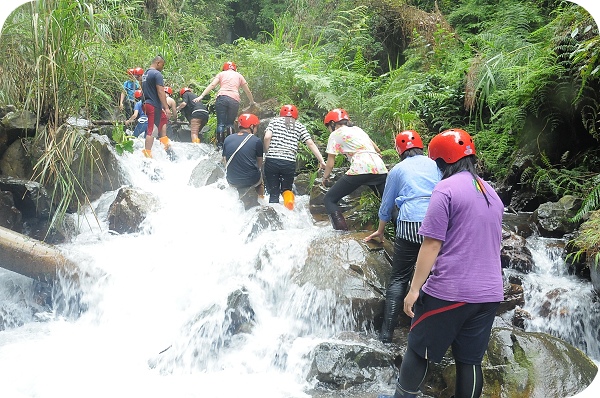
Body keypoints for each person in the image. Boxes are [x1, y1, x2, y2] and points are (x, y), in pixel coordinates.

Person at [391, 128, 504, 398]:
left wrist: (415, 289)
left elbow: (431, 244)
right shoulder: (491, 192)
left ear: (440, 162)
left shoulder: (445, 189)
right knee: (470, 361)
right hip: (489, 295)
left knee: (419, 349)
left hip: (450, 291)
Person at [364, 130, 441, 343]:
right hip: (436, 223)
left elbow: (386, 205)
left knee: (399, 277)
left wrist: (380, 231)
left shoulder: (397, 169)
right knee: (434, 275)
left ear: (399, 150)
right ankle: (426, 329)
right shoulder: (436, 164)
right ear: (421, 146)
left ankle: (386, 334)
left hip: (408, 224)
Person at [321, 108, 388, 230]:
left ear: (332, 123)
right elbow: (377, 149)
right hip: (380, 167)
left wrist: (325, 177)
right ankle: (402, 234)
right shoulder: (358, 130)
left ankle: (342, 234)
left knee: (329, 199)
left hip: (360, 168)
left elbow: (330, 163)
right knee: (387, 203)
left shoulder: (335, 134)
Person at [263, 104, 326, 209]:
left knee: (274, 191)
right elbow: (310, 143)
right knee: (286, 189)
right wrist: (321, 160)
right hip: (288, 162)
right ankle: (289, 207)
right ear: (295, 115)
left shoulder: (274, 122)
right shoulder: (300, 126)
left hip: (272, 160)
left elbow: (267, 136)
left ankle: (274, 216)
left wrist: (267, 150)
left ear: (281, 114)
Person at [193, 61, 256, 149]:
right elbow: (247, 90)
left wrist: (201, 96)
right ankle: (230, 144)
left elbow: (212, 84)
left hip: (222, 98)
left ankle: (220, 145)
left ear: (225, 68)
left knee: (221, 123)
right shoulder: (239, 76)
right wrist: (252, 102)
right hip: (234, 99)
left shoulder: (221, 74)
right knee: (230, 123)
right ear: (234, 68)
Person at [222, 113, 264, 200]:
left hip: (232, 180)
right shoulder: (256, 141)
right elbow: (259, 163)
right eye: (256, 127)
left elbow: (224, 159)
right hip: (251, 181)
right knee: (260, 181)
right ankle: (261, 202)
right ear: (252, 126)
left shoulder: (228, 139)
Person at [141, 55, 171, 158]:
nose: (163, 67)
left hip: (146, 103)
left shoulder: (145, 73)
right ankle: (147, 153)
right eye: (162, 65)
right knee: (152, 128)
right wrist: (166, 107)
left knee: (163, 118)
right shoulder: (157, 74)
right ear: (158, 63)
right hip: (153, 104)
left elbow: (142, 89)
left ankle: (165, 143)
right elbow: (160, 91)